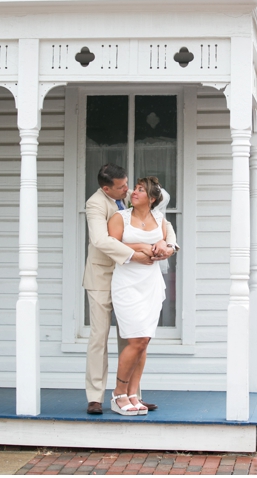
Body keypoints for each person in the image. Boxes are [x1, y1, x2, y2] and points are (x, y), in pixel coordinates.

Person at [83, 164, 177, 415]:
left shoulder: (131, 200)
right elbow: (102, 241)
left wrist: (169, 245)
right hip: (104, 276)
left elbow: (163, 224)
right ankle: (95, 396)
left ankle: (132, 394)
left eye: (129, 185)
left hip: (138, 278)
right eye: (122, 186)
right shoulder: (96, 204)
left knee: (136, 337)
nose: (127, 190)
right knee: (99, 338)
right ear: (106, 188)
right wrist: (135, 255)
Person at [106, 176, 169, 415]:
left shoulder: (160, 220)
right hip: (127, 284)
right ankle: (118, 393)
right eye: (136, 188)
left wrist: (164, 249)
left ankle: (133, 394)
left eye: (141, 190)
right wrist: (142, 247)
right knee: (135, 340)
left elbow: (164, 246)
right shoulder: (120, 217)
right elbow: (112, 244)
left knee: (144, 342)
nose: (134, 192)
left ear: (151, 199)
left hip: (151, 284)